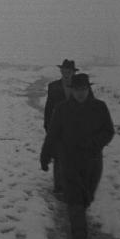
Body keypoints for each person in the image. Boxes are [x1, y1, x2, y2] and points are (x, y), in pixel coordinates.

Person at [40, 73, 114, 239]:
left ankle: (79, 217)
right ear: (72, 90)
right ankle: (78, 233)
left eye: (84, 89)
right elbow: (52, 135)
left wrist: (94, 143)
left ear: (88, 89)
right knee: (74, 198)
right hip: (69, 161)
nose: (80, 93)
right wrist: (45, 156)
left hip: (93, 162)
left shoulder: (100, 107)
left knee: (86, 196)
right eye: (77, 89)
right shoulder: (61, 109)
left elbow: (108, 131)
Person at [43, 59, 78, 196]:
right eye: (64, 71)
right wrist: (47, 125)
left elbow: (90, 106)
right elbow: (48, 108)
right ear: (61, 71)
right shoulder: (53, 86)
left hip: (77, 128)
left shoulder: (81, 85)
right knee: (59, 157)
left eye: (69, 71)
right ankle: (59, 186)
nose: (66, 74)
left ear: (73, 72)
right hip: (58, 128)